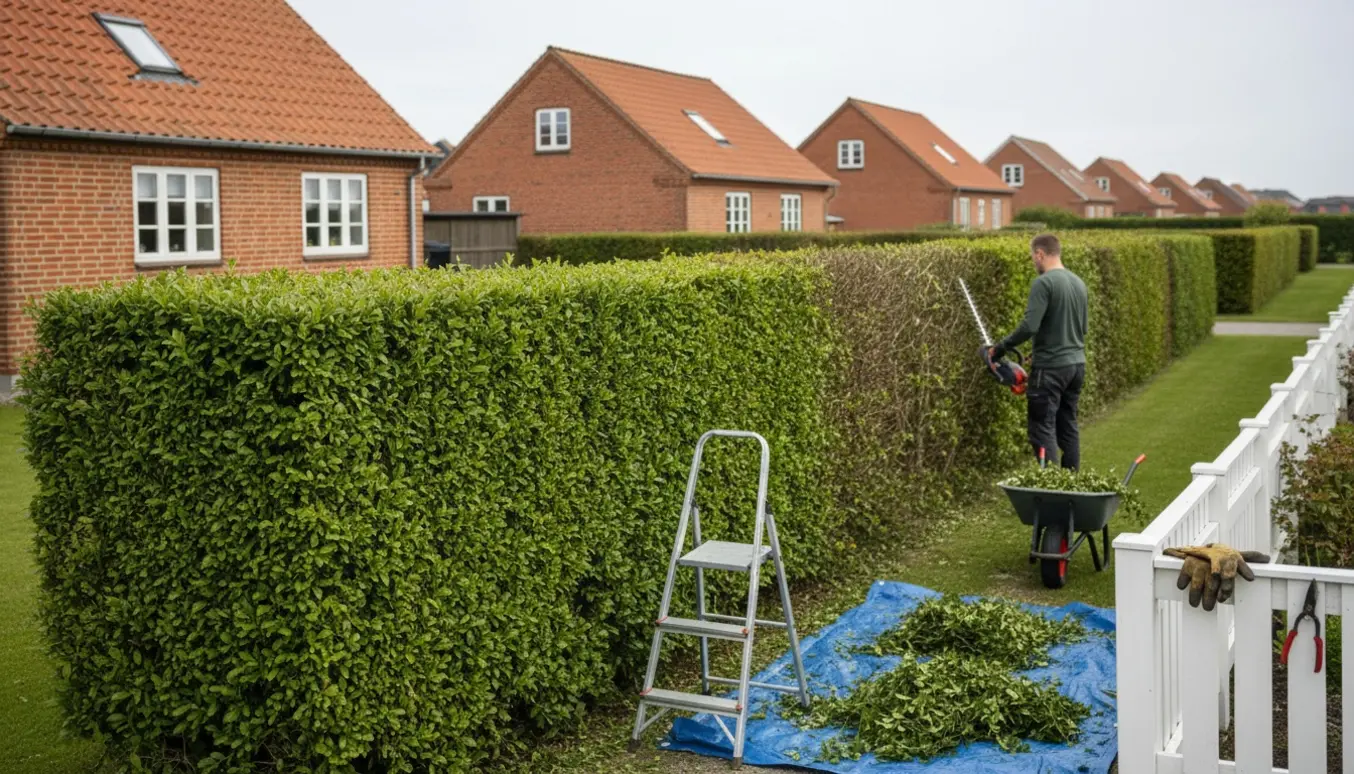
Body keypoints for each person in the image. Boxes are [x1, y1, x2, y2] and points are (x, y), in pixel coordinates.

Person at [990, 233, 1088, 469]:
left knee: (1041, 429)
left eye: (1033, 257)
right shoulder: (1078, 283)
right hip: (1076, 366)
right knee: (1068, 427)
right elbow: (1080, 329)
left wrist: (1000, 348)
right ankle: (1071, 485)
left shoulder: (1044, 283)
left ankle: (1051, 488)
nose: (1034, 261)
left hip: (1052, 369)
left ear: (1040, 254)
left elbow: (1029, 326)